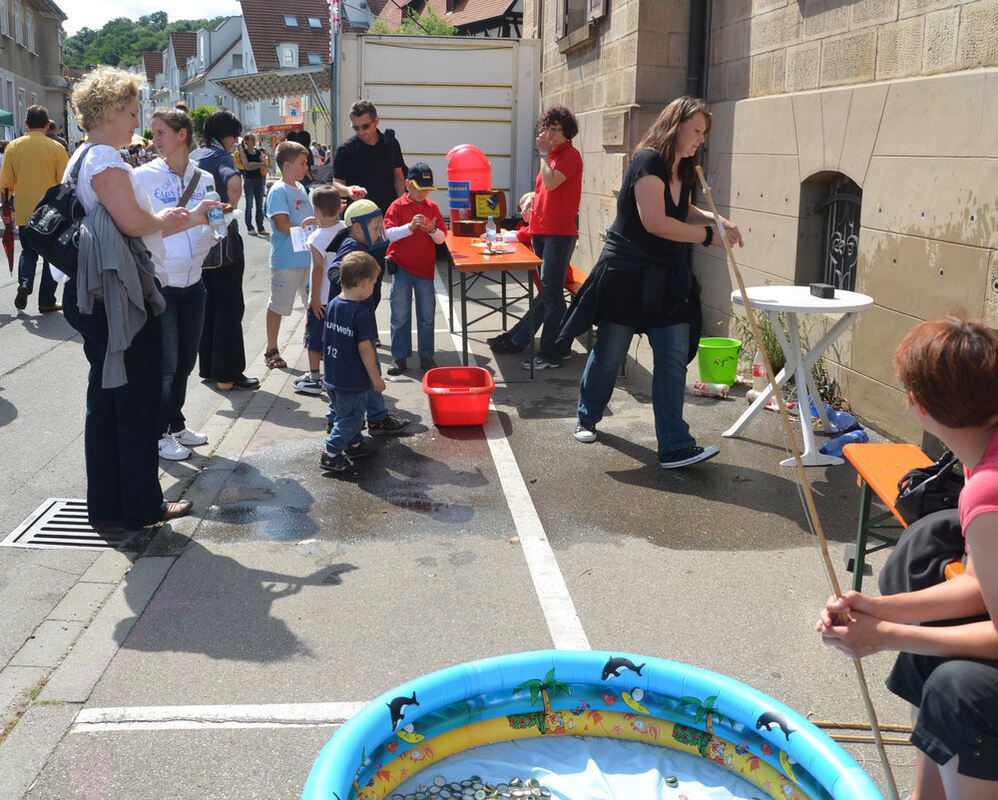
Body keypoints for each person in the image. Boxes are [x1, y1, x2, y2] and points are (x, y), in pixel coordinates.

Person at [817, 315, 998, 800]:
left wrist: (883, 636)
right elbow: (982, 583)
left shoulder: (987, 490)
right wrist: (879, 610)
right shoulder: (982, 452)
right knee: (924, 650)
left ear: (918, 405)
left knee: (958, 690)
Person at [63, 66, 215, 528]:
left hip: (101, 293)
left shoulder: (85, 155)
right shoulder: (106, 158)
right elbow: (132, 224)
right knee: (136, 401)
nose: (136, 122)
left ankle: (111, 506)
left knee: (110, 401)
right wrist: (170, 218)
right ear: (110, 110)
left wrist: (162, 218)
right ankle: (141, 507)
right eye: (132, 112)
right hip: (117, 295)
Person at [557, 96, 743, 469]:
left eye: (704, 133)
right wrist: (707, 237)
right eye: (696, 131)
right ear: (676, 126)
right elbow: (655, 221)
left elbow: (682, 210)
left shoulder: (684, 169)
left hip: (665, 276)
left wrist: (715, 221)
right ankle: (587, 416)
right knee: (610, 355)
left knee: (673, 360)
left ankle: (675, 445)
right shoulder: (648, 162)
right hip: (627, 274)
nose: (700, 140)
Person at [135, 107, 216, 461]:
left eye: (160, 133)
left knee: (185, 363)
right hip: (162, 283)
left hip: (195, 283)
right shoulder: (142, 177)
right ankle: (157, 432)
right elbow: (140, 226)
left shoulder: (205, 178)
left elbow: (215, 221)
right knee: (165, 365)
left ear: (182, 134)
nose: (155, 140)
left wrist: (218, 228)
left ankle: (175, 421)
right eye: (153, 133)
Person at [486, 105, 583, 371]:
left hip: (559, 234)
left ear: (566, 132)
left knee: (551, 295)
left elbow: (552, 183)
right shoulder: (552, 156)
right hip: (543, 232)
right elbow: (547, 192)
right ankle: (548, 346)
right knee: (548, 293)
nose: (548, 134)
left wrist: (543, 154)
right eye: (546, 129)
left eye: (555, 130)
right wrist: (531, 203)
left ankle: (552, 352)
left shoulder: (569, 156)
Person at [325, 199, 411, 437]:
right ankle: (377, 419)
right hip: (356, 321)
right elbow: (335, 268)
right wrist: (352, 295)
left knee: (345, 373)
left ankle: (338, 419)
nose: (378, 232)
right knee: (368, 365)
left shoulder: (356, 242)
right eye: (374, 227)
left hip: (352, 320)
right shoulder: (352, 245)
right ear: (357, 227)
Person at [191, 109, 260, 392]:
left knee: (207, 306)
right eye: (234, 137)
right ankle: (228, 374)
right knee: (230, 307)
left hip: (195, 241)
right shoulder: (221, 157)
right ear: (227, 135)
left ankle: (208, 368)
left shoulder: (194, 155)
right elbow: (233, 181)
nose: (235, 143)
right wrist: (230, 208)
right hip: (223, 241)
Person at [332, 100, 406, 317]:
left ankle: (366, 327)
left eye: (365, 126)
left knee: (374, 278)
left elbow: (398, 175)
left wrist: (402, 205)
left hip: (382, 220)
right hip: (357, 226)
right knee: (356, 277)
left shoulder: (391, 144)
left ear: (376, 121)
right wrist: (348, 190)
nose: (361, 131)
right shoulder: (346, 149)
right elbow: (336, 183)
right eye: (356, 127)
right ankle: (356, 327)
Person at [320, 250, 386, 474]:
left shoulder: (333, 305)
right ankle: (331, 453)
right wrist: (375, 378)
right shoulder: (360, 313)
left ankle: (354, 444)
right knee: (352, 417)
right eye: (374, 284)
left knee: (343, 413)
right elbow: (365, 349)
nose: (373, 289)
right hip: (352, 379)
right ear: (365, 282)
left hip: (333, 376)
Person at [0, 104, 69, 313]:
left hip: (23, 209)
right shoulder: (56, 148)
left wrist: (6, 209)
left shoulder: (13, 147)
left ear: (26, 124)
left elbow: (5, 184)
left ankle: (25, 283)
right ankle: (46, 300)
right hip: (50, 213)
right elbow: (63, 183)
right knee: (51, 257)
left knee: (28, 252)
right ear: (48, 125)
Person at [384, 162, 446, 376]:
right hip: (401, 267)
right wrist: (409, 227)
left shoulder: (432, 207)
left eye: (427, 188)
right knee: (400, 314)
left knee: (427, 315)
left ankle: (426, 356)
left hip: (424, 270)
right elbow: (388, 234)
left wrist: (431, 229)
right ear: (408, 185)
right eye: (419, 187)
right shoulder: (397, 206)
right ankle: (399, 357)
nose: (424, 192)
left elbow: (441, 239)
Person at [263, 140, 315, 372]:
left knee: (313, 305)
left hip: (307, 260)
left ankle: (313, 343)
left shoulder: (301, 189)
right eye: (302, 163)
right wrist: (311, 231)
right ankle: (271, 350)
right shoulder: (279, 190)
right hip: (286, 260)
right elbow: (282, 224)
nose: (306, 168)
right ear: (287, 165)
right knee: (278, 305)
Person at [299, 185, 349, 397]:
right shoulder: (345, 228)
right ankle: (337, 375)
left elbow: (318, 269)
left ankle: (314, 377)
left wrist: (314, 298)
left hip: (323, 296)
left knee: (314, 337)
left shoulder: (316, 239)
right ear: (340, 208)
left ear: (316, 210)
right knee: (337, 336)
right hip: (341, 293)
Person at [237, 133, 269, 236]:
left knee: (259, 206)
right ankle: (250, 227)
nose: (254, 141)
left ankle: (260, 227)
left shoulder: (258, 151)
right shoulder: (243, 152)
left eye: (254, 139)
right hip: (249, 181)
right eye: (251, 139)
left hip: (259, 180)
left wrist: (254, 164)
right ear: (246, 141)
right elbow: (247, 167)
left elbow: (265, 164)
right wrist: (259, 164)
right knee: (249, 205)